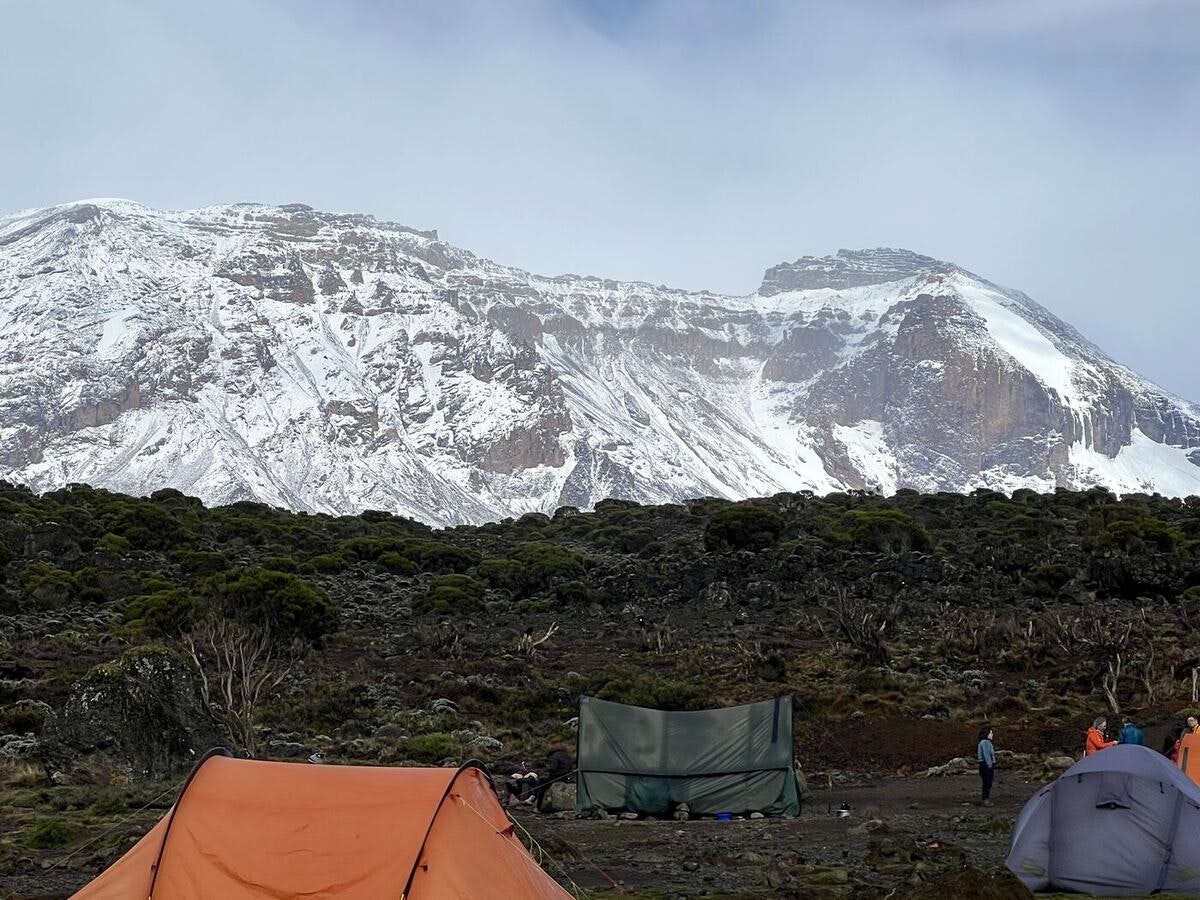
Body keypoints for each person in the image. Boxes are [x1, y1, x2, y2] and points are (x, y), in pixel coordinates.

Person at [534, 742, 576, 811]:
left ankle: (538, 806)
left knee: (542, 785)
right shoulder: (567, 755)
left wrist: (544, 770)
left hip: (557, 777)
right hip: (567, 777)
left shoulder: (554, 756)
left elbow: (553, 768)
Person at [977, 725, 996, 806]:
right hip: (986, 765)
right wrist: (989, 765)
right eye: (991, 733)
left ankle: (985, 799)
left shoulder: (986, 742)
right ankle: (985, 799)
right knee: (987, 783)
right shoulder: (985, 743)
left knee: (987, 782)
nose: (992, 735)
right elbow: (986, 755)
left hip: (986, 764)